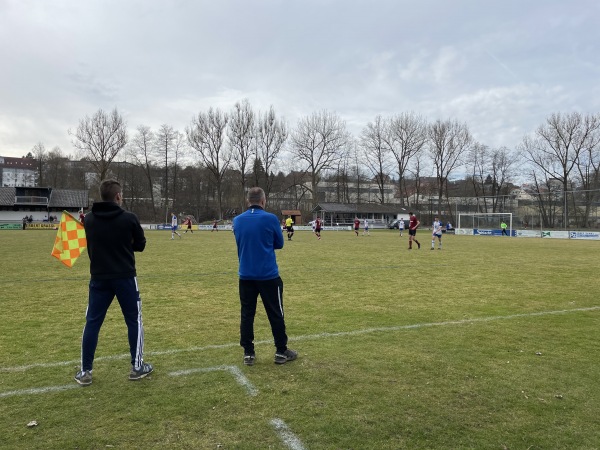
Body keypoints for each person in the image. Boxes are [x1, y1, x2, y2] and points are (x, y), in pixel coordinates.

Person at [75, 179, 153, 386]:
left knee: (92, 322)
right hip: (125, 277)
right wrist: (126, 244)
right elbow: (141, 245)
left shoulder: (89, 220)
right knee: (134, 320)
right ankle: (137, 367)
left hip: (98, 278)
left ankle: (85, 371)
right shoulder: (129, 219)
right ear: (118, 196)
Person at [233, 187, 298, 366]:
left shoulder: (237, 220)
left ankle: (248, 352)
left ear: (248, 201)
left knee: (247, 314)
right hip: (268, 275)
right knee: (276, 313)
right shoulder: (270, 219)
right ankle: (281, 351)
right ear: (263, 200)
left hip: (245, 275)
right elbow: (279, 243)